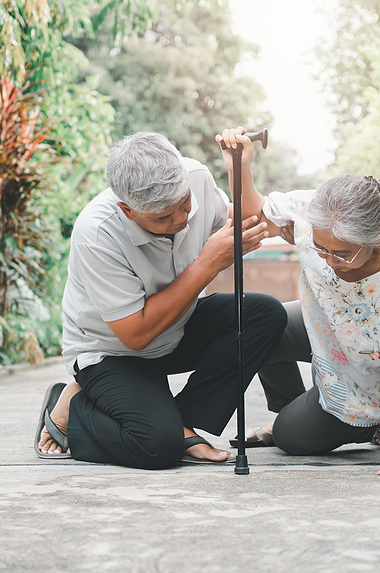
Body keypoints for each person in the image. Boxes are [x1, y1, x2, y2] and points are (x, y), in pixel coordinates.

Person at [216, 127, 380, 481]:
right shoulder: (321, 210)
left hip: (370, 377)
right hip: (325, 326)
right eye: (321, 249)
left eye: (343, 254)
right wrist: (239, 167)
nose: (330, 261)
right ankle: (293, 409)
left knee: (288, 437)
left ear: (376, 239)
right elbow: (257, 218)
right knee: (256, 323)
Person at [36, 131, 287, 469]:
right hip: (113, 353)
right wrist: (208, 263)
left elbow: (248, 225)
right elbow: (135, 335)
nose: (181, 220)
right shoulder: (97, 232)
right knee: (155, 447)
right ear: (128, 210)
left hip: (176, 330)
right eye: (163, 218)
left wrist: (239, 171)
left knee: (263, 313)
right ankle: (74, 406)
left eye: (184, 206)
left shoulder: (195, 177)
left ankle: (180, 421)